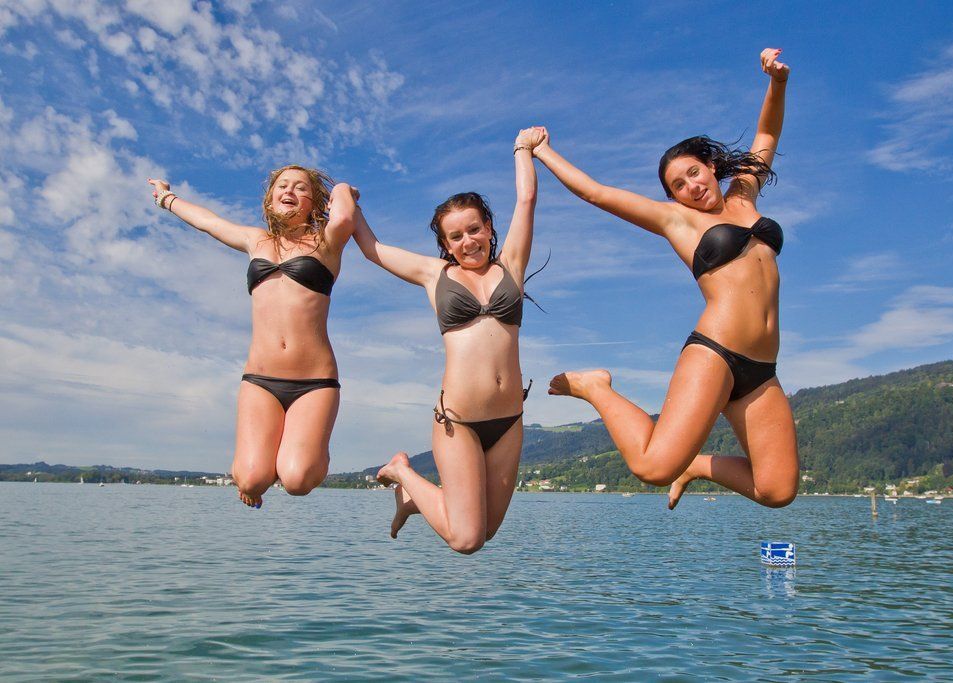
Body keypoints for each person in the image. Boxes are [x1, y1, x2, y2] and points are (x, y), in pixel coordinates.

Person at [537, 49, 798, 509]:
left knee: (777, 490)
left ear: (711, 167)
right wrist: (542, 151)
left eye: (694, 173)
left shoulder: (744, 192)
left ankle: (696, 466)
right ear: (673, 197)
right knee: (652, 467)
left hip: (762, 366)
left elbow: (767, 133)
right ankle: (596, 387)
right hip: (716, 351)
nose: (692, 187)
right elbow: (595, 193)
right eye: (679, 185)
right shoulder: (677, 221)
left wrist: (776, 82)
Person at [351, 128, 542, 554]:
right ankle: (402, 473)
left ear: (488, 228)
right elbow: (371, 248)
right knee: (466, 538)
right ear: (445, 244)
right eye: (456, 237)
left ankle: (412, 501)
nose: (468, 241)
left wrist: (522, 148)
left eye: (474, 229)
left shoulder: (511, 264)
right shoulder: (433, 275)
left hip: (509, 421)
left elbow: (527, 199)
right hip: (458, 420)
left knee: (486, 531)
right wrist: (348, 201)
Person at [147, 166, 357, 508]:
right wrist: (166, 198)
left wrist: (344, 188)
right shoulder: (256, 240)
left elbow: (345, 216)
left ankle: (306, 453)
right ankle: (257, 471)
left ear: (316, 203)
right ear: (270, 199)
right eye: (282, 186)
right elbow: (208, 222)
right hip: (260, 380)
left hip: (314, 382)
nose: (289, 191)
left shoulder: (327, 243)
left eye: (301, 188)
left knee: (297, 480)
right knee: (250, 479)